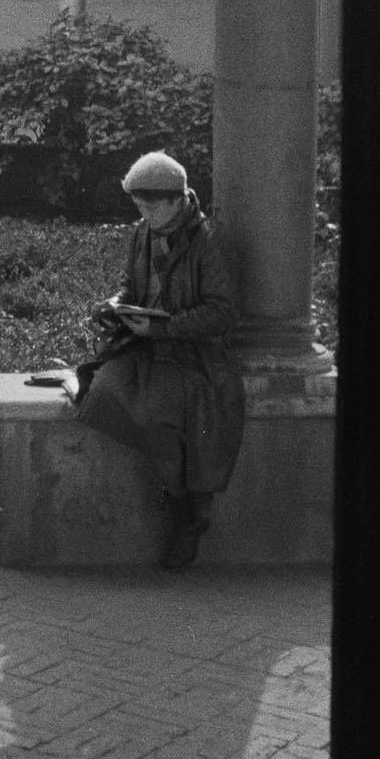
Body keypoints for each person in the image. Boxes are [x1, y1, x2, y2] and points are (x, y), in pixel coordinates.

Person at [76, 150, 244, 570]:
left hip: (192, 355)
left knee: (157, 415)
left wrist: (166, 328)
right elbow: (131, 287)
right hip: (145, 345)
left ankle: (186, 513)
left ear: (177, 200)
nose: (144, 211)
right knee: (99, 397)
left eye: (151, 204)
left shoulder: (206, 242)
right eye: (138, 203)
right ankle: (180, 497)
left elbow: (222, 312)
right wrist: (116, 306)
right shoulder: (141, 234)